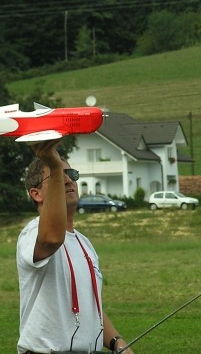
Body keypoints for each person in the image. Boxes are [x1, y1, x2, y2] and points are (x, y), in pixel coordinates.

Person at [17, 140, 135, 354]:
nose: (68, 180)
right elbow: (52, 238)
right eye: (58, 177)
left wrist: (117, 342)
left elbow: (90, 305)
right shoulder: (32, 232)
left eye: (71, 174)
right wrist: (53, 165)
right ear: (36, 194)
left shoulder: (84, 243)